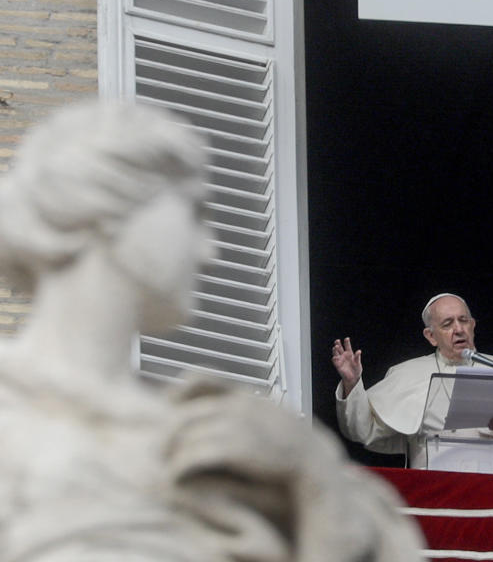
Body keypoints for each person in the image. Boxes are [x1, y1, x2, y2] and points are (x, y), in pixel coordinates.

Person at [0, 101, 423, 561]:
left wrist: (312, 473)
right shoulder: (13, 406)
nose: (209, 250)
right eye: (193, 212)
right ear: (105, 206)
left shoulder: (205, 434)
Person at [332, 293, 493, 470]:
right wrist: (352, 383)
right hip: (435, 495)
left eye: (463, 320)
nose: (458, 329)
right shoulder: (407, 373)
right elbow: (362, 431)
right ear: (431, 336)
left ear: (473, 325)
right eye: (447, 324)